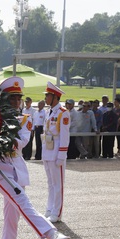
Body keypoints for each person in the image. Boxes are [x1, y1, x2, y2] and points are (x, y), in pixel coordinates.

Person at [0, 77, 71, 239]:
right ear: (4, 100)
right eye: (12, 99)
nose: (17, 102)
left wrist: (4, 135)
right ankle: (50, 233)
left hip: (17, 172)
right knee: (23, 201)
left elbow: (22, 142)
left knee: (11, 223)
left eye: (19, 98)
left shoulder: (25, 118)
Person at [42, 82, 69, 223]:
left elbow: (65, 136)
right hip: (48, 150)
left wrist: (61, 155)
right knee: (50, 183)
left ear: (55, 97)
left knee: (58, 184)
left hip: (57, 151)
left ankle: (57, 212)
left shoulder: (63, 113)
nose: (45, 98)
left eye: (48, 95)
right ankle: (50, 208)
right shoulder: (49, 112)